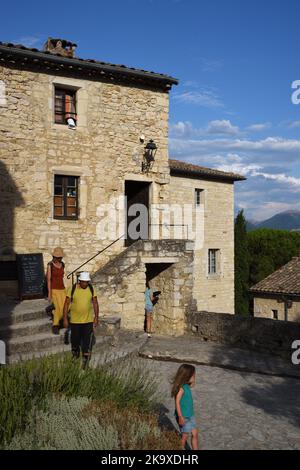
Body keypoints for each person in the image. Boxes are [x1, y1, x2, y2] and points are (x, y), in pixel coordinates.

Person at [63, 271, 99, 368]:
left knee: (87, 342)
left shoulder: (91, 288)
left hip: (88, 321)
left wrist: (96, 317)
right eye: (84, 282)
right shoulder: (73, 288)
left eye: (87, 282)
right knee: (75, 340)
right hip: (75, 321)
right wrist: (65, 318)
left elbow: (95, 303)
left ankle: (85, 362)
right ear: (80, 281)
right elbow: (66, 304)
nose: (86, 283)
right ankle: (75, 357)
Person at [171, 364, 198, 450]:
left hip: (190, 415)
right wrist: (180, 417)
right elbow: (177, 402)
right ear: (187, 376)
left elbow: (192, 384)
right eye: (193, 375)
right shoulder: (181, 388)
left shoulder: (187, 385)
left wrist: (193, 379)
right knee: (184, 437)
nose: (194, 376)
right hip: (183, 416)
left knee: (195, 434)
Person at [46, 247, 66, 335]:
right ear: (54, 257)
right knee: (57, 308)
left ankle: (50, 310)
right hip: (54, 289)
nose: (59, 259)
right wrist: (49, 293)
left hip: (62, 289)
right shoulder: (50, 265)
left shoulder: (63, 264)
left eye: (60, 257)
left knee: (65, 307)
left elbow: (61, 277)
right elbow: (49, 280)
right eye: (58, 257)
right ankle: (55, 326)